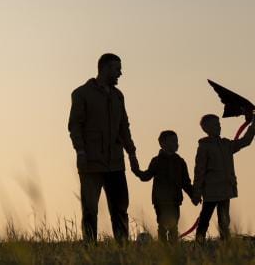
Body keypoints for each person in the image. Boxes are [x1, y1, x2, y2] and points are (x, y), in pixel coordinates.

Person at [68, 53, 139, 242]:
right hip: (91, 162)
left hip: (115, 162)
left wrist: (131, 153)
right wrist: (80, 151)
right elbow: (75, 126)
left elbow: (124, 126)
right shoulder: (81, 94)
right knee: (90, 209)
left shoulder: (118, 96)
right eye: (117, 69)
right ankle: (90, 247)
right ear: (105, 68)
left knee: (120, 208)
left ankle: (122, 247)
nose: (120, 73)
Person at [192, 112, 255, 241]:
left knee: (224, 220)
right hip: (211, 190)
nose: (219, 127)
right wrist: (196, 193)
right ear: (206, 128)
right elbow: (199, 171)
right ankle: (199, 242)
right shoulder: (204, 146)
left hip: (225, 189)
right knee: (205, 218)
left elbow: (245, 141)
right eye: (215, 125)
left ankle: (225, 243)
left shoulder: (226, 144)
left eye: (219, 124)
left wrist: (253, 122)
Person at [131, 130, 199, 242]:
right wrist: (136, 170)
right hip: (160, 200)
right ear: (162, 143)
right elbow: (146, 176)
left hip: (175, 200)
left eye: (176, 141)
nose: (176, 144)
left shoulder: (180, 162)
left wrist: (193, 196)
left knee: (173, 225)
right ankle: (163, 248)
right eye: (173, 141)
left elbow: (185, 183)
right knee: (162, 225)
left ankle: (172, 248)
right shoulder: (156, 161)